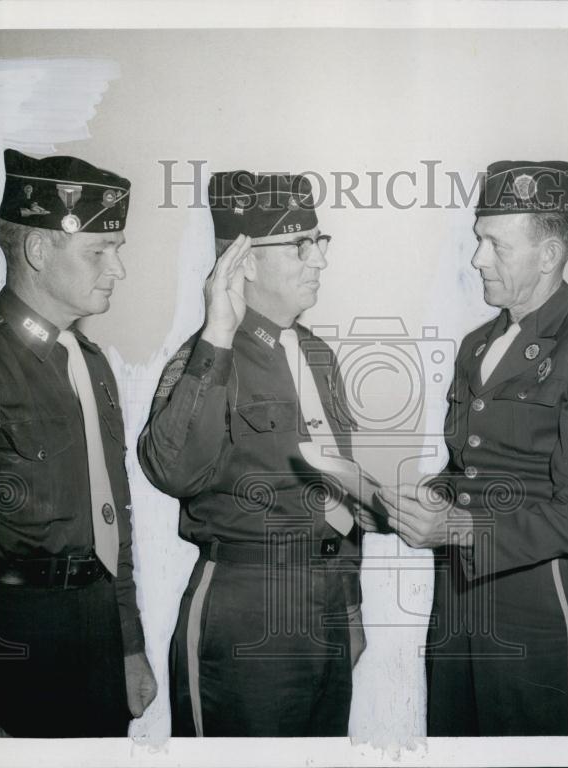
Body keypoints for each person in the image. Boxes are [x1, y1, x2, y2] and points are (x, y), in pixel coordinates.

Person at [379, 161, 568, 735]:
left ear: (548, 254)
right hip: (458, 603)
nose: (477, 259)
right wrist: (394, 503)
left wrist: (460, 529)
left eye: (495, 244)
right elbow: (465, 472)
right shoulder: (477, 345)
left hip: (539, 611)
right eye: (478, 241)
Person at [0, 149, 157, 737]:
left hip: (94, 631)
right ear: (39, 250)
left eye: (117, 250)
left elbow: (109, 521)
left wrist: (127, 644)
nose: (117, 269)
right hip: (9, 643)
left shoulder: (90, 364)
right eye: (100, 252)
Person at [137, 171, 364, 737]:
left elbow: (339, 492)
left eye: (319, 241)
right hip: (245, 611)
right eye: (299, 245)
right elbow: (170, 470)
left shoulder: (318, 356)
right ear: (243, 262)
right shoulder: (206, 358)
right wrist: (217, 330)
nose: (319, 260)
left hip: (327, 607)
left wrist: (351, 608)